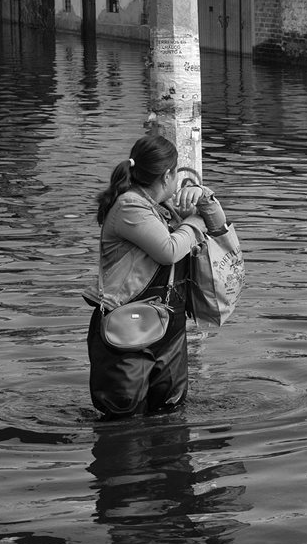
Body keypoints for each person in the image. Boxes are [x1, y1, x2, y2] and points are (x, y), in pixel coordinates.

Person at [88, 134, 226, 418]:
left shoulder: (162, 206)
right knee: (124, 423)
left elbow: (219, 228)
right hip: (127, 329)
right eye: (176, 174)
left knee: (170, 415)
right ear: (167, 175)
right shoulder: (129, 206)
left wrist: (204, 197)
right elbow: (169, 250)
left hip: (168, 327)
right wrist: (195, 221)